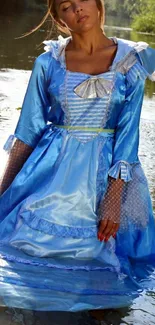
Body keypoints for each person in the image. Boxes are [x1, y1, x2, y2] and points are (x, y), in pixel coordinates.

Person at [0, 0, 155, 313]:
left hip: (108, 173)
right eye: (66, 7)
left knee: (106, 264)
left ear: (98, 6)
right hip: (50, 172)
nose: (77, 9)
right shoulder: (49, 62)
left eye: (81, 0)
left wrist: (113, 197)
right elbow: (28, 130)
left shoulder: (133, 60)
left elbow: (128, 135)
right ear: (59, 20)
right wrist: (3, 191)